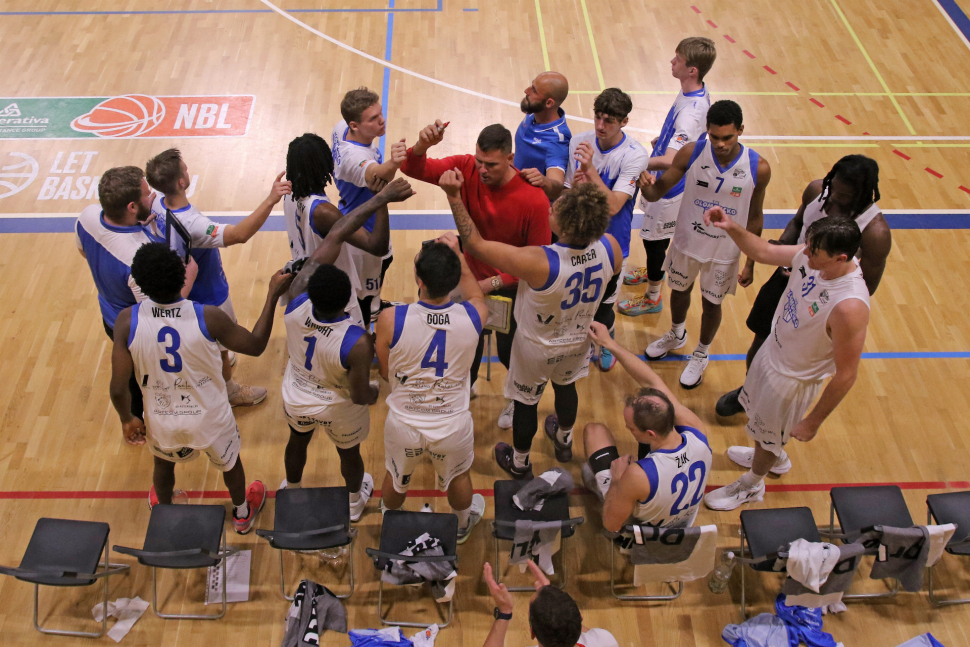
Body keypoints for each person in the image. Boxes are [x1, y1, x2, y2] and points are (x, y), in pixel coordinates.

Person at [444, 171, 620, 477]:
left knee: (525, 403)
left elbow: (474, 244)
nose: (549, 209)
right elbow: (609, 288)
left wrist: (453, 196)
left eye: (554, 210)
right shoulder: (611, 247)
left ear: (563, 225)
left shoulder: (540, 262)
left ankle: (521, 462)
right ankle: (564, 440)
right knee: (567, 389)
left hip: (537, 346)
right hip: (578, 338)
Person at [108, 243, 293, 533]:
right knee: (230, 464)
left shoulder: (125, 321)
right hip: (210, 417)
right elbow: (256, 345)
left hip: (161, 416)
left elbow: (119, 388)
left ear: (140, 284)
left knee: (163, 465)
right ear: (183, 278)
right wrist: (272, 295)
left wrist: (127, 418)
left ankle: (165, 510)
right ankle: (242, 514)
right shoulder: (208, 316)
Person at [702, 211, 870, 511]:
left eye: (814, 252)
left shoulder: (850, 306)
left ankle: (753, 484)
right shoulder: (812, 255)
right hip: (773, 351)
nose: (805, 253)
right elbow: (764, 251)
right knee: (757, 420)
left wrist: (812, 422)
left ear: (840, 258)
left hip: (791, 380)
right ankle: (774, 457)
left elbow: (846, 374)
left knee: (767, 436)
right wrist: (731, 226)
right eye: (807, 246)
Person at [277, 177, 416, 521]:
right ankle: (354, 502)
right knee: (349, 454)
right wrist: (372, 393)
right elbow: (358, 395)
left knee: (297, 441)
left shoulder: (295, 298)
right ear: (346, 304)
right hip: (337, 405)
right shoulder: (356, 341)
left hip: (298, 393)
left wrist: (380, 197)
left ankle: (291, 489)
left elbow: (334, 237)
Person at [400, 121, 551, 428]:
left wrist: (490, 283)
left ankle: (516, 400)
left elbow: (539, 267)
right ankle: (461, 394)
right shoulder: (465, 167)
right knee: (466, 350)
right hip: (471, 286)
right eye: (479, 161)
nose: (482, 170)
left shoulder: (534, 200)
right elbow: (412, 168)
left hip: (511, 291)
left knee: (512, 355)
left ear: (510, 159)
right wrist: (421, 146)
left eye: (491, 165)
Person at [716, 154, 890, 417]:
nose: (833, 198)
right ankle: (749, 392)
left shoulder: (874, 232)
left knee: (792, 360)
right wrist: (784, 250)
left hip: (819, 301)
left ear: (862, 194)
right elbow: (798, 223)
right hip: (789, 276)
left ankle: (772, 411)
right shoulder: (818, 190)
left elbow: (866, 288)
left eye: (843, 196)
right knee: (762, 338)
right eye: (834, 189)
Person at [639, 100, 771, 389]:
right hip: (687, 240)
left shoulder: (758, 167)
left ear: (741, 131)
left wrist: (751, 262)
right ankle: (676, 333)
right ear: (707, 132)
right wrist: (644, 182)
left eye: (728, 137)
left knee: (712, 304)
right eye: (714, 137)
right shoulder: (692, 152)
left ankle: (701, 353)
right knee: (678, 291)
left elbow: (755, 216)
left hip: (724, 251)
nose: (720, 144)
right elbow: (657, 192)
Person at [146, 149, 291, 407]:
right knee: (223, 345)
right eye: (185, 168)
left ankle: (217, 353)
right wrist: (271, 199)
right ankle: (230, 390)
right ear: (181, 182)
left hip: (182, 290)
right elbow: (239, 234)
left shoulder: (156, 202)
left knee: (213, 343)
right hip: (208, 292)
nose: (188, 169)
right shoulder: (192, 224)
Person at [375, 232, 488, 543]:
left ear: (417, 278)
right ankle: (463, 524)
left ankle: (389, 519)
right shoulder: (474, 315)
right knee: (459, 476)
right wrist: (459, 257)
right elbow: (477, 295)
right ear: (452, 282)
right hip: (451, 422)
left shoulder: (389, 318)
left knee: (396, 478)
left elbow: (385, 372)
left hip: (405, 421)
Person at [76, 166, 198, 422]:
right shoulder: (139, 258)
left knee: (130, 377)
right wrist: (190, 274)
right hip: (136, 329)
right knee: (154, 378)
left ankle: (133, 419)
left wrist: (137, 226)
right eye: (146, 194)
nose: (152, 195)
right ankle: (157, 421)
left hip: (110, 317)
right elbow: (161, 311)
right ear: (132, 207)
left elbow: (85, 252)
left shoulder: (86, 217)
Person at [583, 322, 712, 531]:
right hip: (682, 521)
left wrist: (617, 481)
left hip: (645, 534)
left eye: (630, 428)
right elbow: (652, 381)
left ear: (650, 433)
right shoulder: (696, 429)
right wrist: (608, 343)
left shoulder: (638, 475)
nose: (628, 430)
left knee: (593, 435)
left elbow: (611, 525)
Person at [620, 37, 716, 316]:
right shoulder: (694, 91)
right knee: (654, 239)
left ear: (692, 70)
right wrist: (662, 139)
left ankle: (652, 296)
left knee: (653, 242)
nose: (672, 62)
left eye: (678, 59)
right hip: (668, 181)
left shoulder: (691, 111)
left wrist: (633, 161)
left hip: (670, 190)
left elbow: (673, 160)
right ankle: (654, 272)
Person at [562, 88, 650, 371]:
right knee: (578, 298)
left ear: (624, 122)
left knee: (604, 304)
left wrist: (590, 170)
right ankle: (580, 342)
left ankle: (606, 339)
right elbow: (566, 194)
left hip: (613, 242)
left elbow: (613, 206)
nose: (600, 126)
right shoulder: (579, 141)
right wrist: (576, 185)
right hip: (578, 239)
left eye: (608, 121)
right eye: (597, 118)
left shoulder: (635, 155)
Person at [283, 132, 395, 326]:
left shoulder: (290, 192)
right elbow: (377, 246)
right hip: (334, 291)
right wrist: (381, 199)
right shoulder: (324, 212)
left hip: (307, 281)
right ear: (325, 164)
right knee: (351, 343)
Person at [332, 88, 408, 327]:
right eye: (373, 119)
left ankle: (373, 306)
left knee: (376, 276)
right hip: (363, 236)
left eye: (380, 113)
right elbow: (377, 176)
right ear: (354, 125)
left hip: (354, 215)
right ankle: (365, 330)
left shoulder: (340, 128)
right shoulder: (353, 159)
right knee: (363, 293)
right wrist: (393, 163)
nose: (382, 120)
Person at [482, 560, 619, 647]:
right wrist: (551, 597)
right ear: (580, 618)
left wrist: (504, 612)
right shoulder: (604, 641)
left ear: (532, 632)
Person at [515, 71, 572, 202]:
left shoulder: (557, 140)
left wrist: (544, 181)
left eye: (534, 90)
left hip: (532, 205)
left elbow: (557, 186)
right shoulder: (534, 112)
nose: (526, 91)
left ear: (549, 103)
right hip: (517, 192)